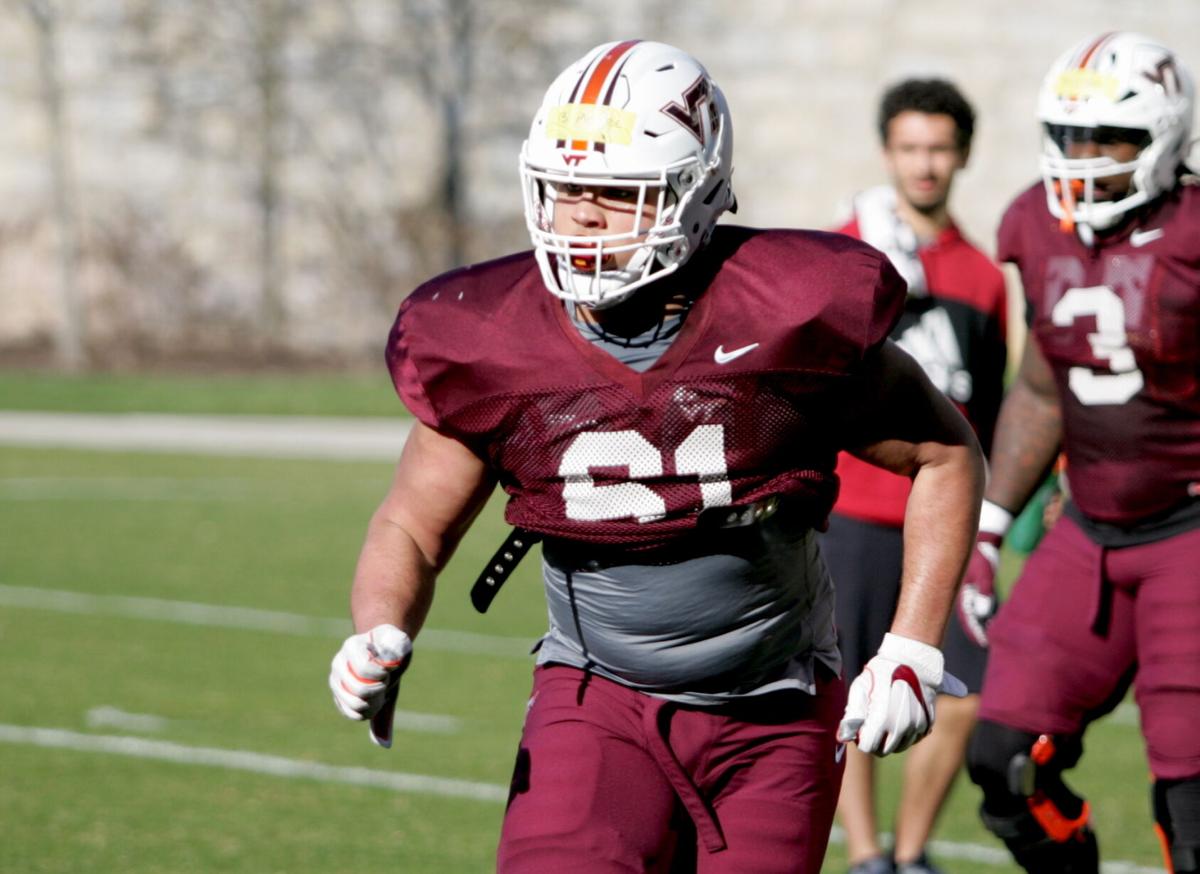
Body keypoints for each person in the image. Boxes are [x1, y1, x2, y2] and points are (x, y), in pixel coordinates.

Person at [327, 39, 984, 873]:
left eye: (616, 193)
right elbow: (413, 527)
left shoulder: (784, 311)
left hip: (773, 708)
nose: (583, 217)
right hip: (595, 696)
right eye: (565, 191)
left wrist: (912, 649)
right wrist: (378, 627)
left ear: (697, 195)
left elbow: (944, 456)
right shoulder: (496, 339)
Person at [961, 31, 1200, 874]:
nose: (1086, 157)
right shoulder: (1036, 221)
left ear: (1166, 138)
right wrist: (990, 527)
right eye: (1071, 135)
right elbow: (1038, 386)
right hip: (1090, 527)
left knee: (1193, 808)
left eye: (1112, 139)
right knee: (1003, 760)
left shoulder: (1194, 231)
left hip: (1192, 532)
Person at [822, 79, 1007, 874]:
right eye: (909, 147)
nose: (924, 164)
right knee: (846, 687)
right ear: (887, 151)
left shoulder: (983, 275)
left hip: (948, 522)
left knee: (969, 694)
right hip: (852, 513)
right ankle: (866, 855)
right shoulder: (846, 250)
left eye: (938, 147)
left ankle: (912, 850)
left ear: (962, 153)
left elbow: (990, 411)